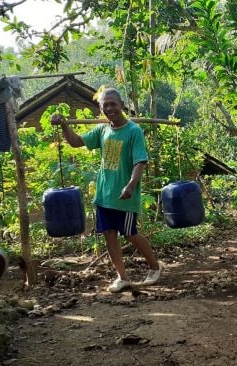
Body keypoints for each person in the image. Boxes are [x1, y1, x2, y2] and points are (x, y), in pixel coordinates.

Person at [50, 87, 161, 293]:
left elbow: (140, 162)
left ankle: (155, 266)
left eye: (113, 104)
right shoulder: (102, 130)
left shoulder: (133, 131)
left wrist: (130, 185)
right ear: (100, 108)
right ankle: (122, 277)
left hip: (125, 196)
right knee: (109, 236)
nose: (109, 108)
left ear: (121, 106)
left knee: (130, 234)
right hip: (105, 195)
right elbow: (75, 142)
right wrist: (65, 126)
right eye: (105, 105)